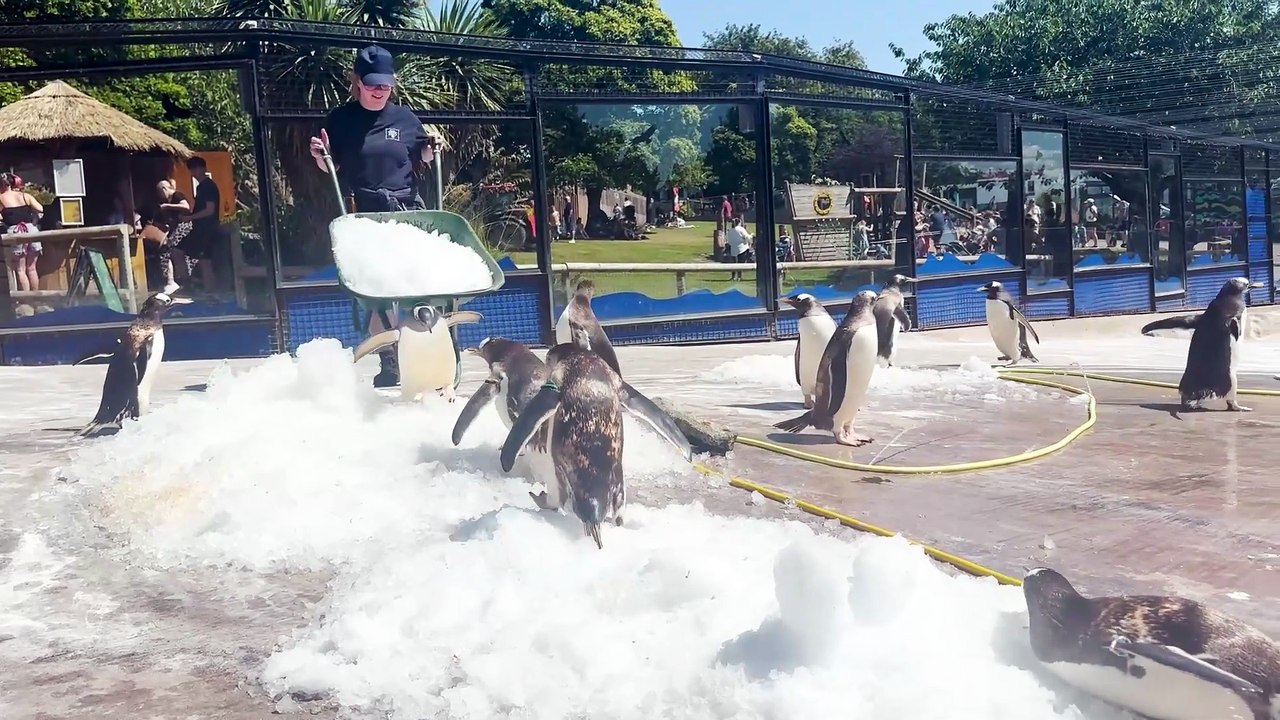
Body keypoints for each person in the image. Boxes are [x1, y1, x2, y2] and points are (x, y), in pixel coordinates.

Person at [309, 44, 441, 388]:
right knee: (377, 293)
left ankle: (422, 351)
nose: (379, 90)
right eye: (372, 84)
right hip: (365, 215)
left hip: (406, 211)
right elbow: (331, 167)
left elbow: (423, 156)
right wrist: (321, 156)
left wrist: (431, 147)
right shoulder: (341, 120)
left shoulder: (406, 118)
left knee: (412, 286)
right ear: (357, 82)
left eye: (385, 84)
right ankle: (389, 361)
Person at [179, 156, 223, 293]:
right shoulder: (201, 187)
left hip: (206, 229)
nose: (194, 172)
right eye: (192, 169)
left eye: (196, 168)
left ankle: (210, 291)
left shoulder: (208, 186)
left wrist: (189, 217)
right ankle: (189, 283)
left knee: (205, 261)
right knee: (178, 252)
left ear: (203, 169)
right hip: (199, 228)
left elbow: (210, 210)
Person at [0, 173, 43, 292]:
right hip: (31, 230)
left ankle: (26, 301)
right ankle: (36, 298)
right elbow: (40, 208)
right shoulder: (25, 195)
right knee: (32, 268)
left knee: (20, 270)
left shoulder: (1, 198)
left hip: (15, 232)